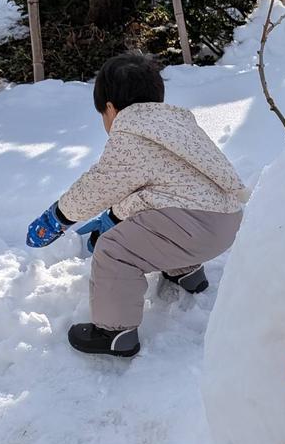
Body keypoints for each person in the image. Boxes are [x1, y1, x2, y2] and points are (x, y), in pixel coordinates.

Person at [26, 53, 246, 358]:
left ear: (111, 108)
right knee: (154, 226)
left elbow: (99, 185)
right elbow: (159, 193)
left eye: (102, 114)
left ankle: (115, 333)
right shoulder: (178, 126)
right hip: (227, 219)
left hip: (193, 226)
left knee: (115, 250)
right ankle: (186, 271)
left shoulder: (131, 135)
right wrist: (115, 215)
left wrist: (59, 216)